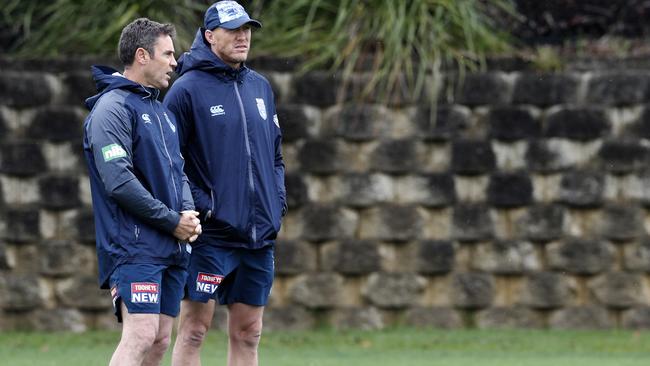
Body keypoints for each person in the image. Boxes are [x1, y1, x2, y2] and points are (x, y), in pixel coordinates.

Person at [163, 2, 286, 365]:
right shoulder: (185, 90)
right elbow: (170, 162)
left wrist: (276, 202)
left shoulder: (260, 87)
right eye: (233, 29)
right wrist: (204, 205)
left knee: (249, 332)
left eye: (247, 29)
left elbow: (275, 156)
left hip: (258, 234)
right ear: (209, 35)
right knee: (194, 330)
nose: (243, 36)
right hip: (211, 235)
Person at [82, 18, 202, 366]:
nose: (175, 62)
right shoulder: (112, 108)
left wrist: (188, 214)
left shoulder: (161, 112)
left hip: (170, 244)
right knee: (141, 334)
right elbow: (118, 181)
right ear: (141, 55)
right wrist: (171, 221)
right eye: (167, 54)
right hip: (134, 247)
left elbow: (178, 172)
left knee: (160, 340)